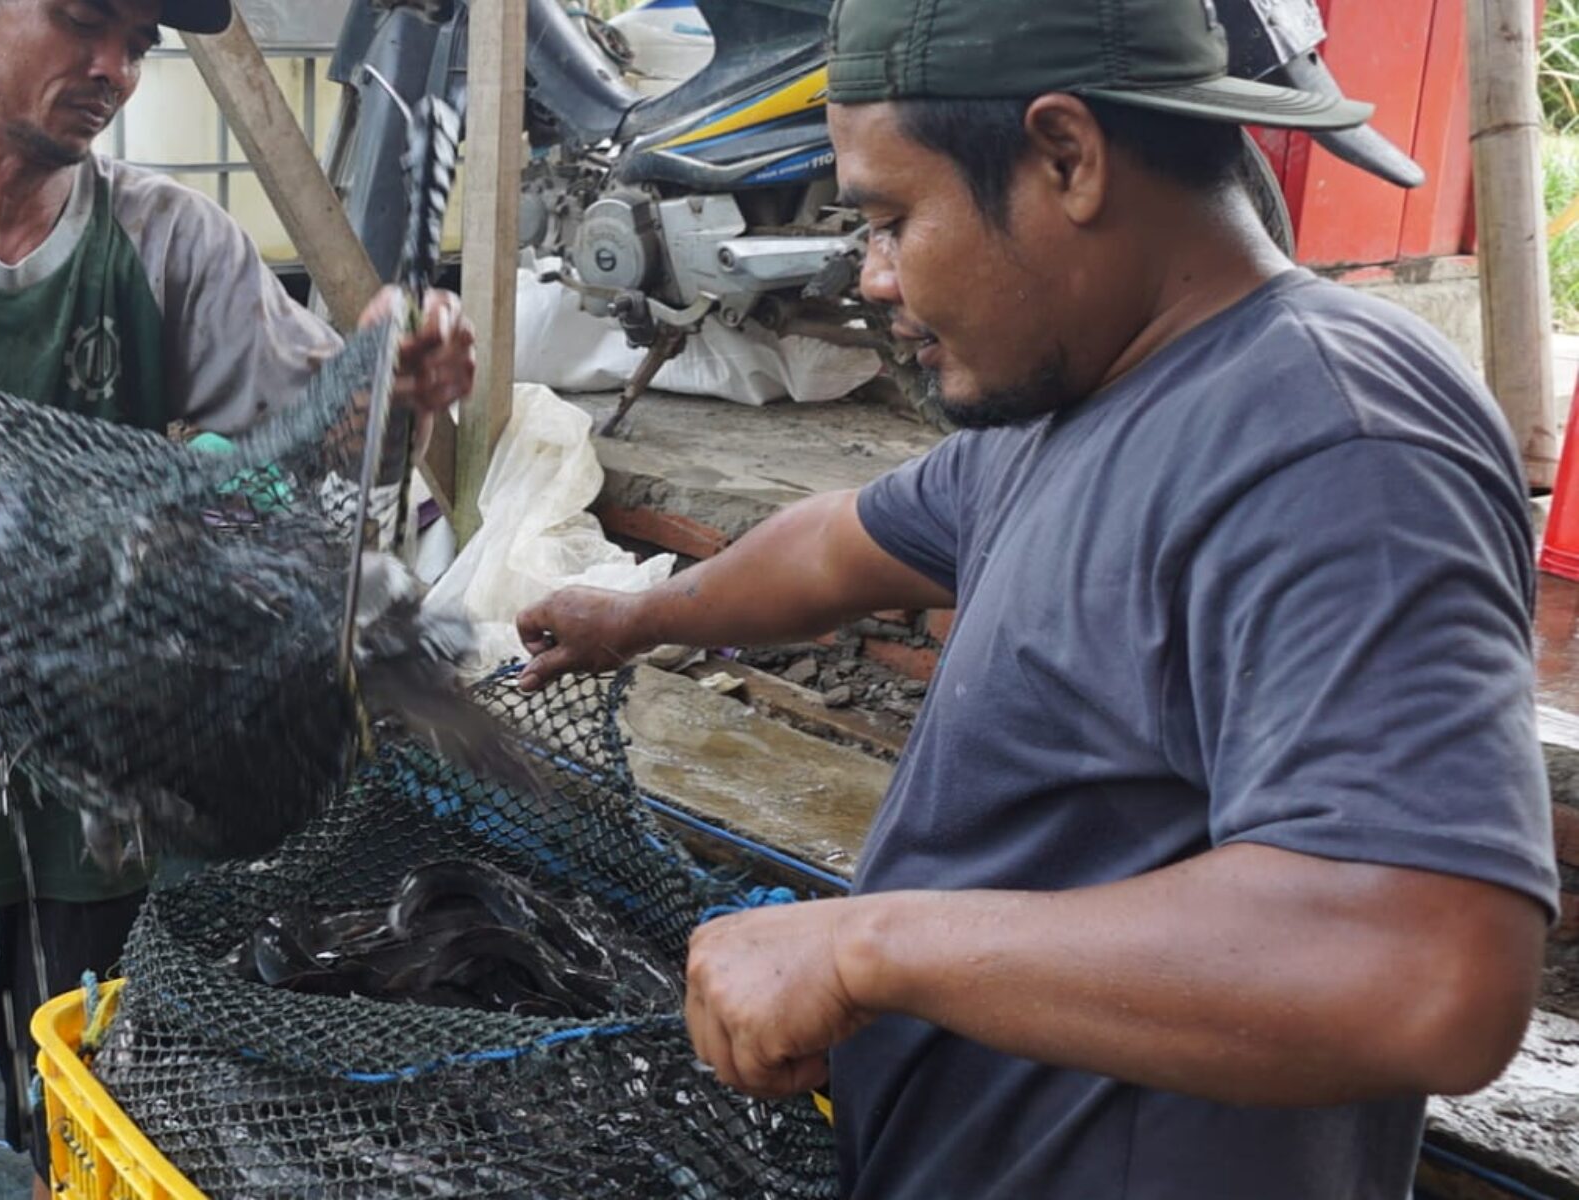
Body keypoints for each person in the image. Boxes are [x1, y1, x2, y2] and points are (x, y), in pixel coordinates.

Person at [514, 0, 1559, 1195]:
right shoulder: (1075, 394)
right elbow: (840, 546)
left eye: (895, 218)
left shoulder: (1335, 444)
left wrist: (866, 947)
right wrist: (639, 614)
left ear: (1066, 157)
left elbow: (1423, 971)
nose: (874, 275)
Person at [0, 0, 476, 1195]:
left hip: (100, 791)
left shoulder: (173, 242)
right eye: (84, 21)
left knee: (90, 1110)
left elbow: (332, 444)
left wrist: (394, 383)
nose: (115, 68)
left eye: (141, 40)